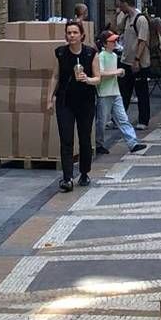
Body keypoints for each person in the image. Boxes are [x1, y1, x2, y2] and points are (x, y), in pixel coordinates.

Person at [52, 23, 97, 193]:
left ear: (82, 35)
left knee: (84, 138)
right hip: (65, 101)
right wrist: (50, 98)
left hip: (85, 100)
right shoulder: (61, 53)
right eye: (69, 32)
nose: (72, 35)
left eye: (75, 32)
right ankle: (67, 177)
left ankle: (84, 172)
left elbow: (98, 77)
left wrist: (88, 79)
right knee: (66, 138)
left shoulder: (90, 53)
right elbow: (55, 76)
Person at [92, 31, 146, 155]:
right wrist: (117, 72)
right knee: (102, 121)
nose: (115, 42)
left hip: (114, 92)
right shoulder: (101, 56)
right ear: (105, 44)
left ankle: (133, 143)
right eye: (112, 41)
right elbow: (99, 73)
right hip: (104, 93)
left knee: (122, 118)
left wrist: (117, 72)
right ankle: (99, 144)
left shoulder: (114, 56)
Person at [116, 0, 157, 129]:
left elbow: (142, 41)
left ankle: (143, 120)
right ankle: (119, 118)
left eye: (120, 5)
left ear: (126, 3)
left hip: (138, 62)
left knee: (141, 91)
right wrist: (120, 15)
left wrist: (137, 60)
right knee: (124, 91)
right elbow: (119, 29)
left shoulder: (140, 20)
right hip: (126, 60)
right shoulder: (128, 18)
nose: (119, 7)